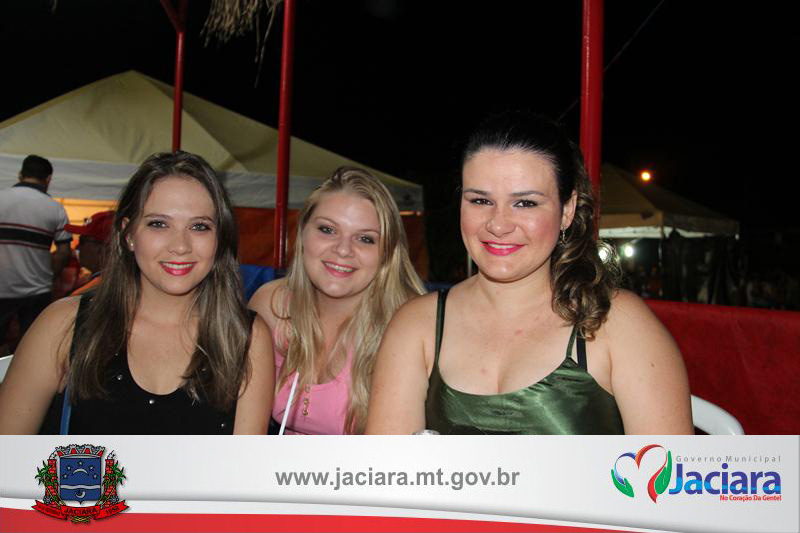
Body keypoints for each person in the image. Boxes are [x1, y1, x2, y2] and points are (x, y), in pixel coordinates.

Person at [366, 111, 693, 435]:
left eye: (525, 203)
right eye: (480, 201)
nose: (498, 224)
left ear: (567, 210)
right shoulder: (417, 325)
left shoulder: (618, 324)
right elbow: (386, 466)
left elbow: (666, 469)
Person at [0, 151, 273, 434]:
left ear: (220, 238)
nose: (180, 246)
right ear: (128, 234)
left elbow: (242, 462)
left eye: (199, 226)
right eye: (159, 224)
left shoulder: (247, 338)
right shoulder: (63, 324)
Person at [249, 166, 425, 434]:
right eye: (328, 230)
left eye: (365, 239)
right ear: (302, 232)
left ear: (388, 253)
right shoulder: (271, 306)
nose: (343, 250)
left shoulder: (408, 326)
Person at [0, 155, 72, 352]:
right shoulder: (55, 208)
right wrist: (50, 277)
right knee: (31, 348)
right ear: (48, 179)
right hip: (37, 291)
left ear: (20, 174)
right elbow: (64, 252)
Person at [64, 210, 115, 295]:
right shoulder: (122, 282)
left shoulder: (83, 295)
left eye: (82, 241)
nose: (78, 247)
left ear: (104, 249)